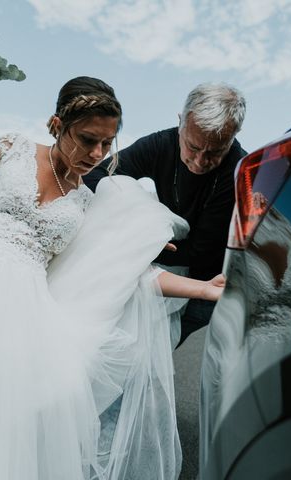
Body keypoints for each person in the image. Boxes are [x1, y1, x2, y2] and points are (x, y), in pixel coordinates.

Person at [0, 74, 224, 480]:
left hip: (18, 308)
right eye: (88, 139)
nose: (97, 153)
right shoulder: (12, 148)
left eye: (107, 143)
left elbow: (129, 274)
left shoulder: (88, 201)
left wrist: (204, 288)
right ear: (57, 125)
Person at [84, 83, 247, 346]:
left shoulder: (239, 173)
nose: (201, 161)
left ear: (234, 135)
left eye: (215, 152)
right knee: (110, 347)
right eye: (193, 147)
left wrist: (136, 248)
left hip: (210, 281)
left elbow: (200, 251)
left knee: (149, 356)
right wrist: (131, 220)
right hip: (159, 265)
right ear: (181, 122)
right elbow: (96, 176)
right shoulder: (160, 143)